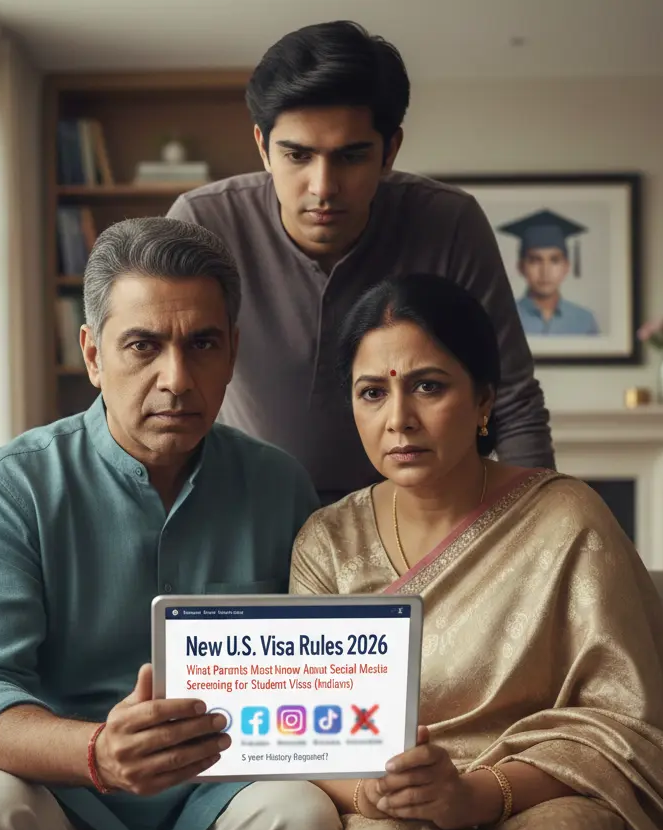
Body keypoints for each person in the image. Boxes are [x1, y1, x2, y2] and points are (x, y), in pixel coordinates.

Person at [290, 272, 663, 830]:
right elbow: (306, 737)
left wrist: (477, 793)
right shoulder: (328, 541)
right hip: (396, 805)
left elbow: (625, 723)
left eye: (429, 386)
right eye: (372, 392)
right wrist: (373, 793)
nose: (398, 418)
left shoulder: (566, 517)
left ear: (485, 401)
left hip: (542, 793)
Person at [0, 217, 342, 830]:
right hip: (57, 801)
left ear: (233, 355)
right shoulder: (13, 486)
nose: (177, 378)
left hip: (218, 804)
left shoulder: (280, 486)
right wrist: (98, 753)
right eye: (143, 346)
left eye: (203, 344)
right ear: (94, 355)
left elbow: (324, 673)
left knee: (300, 811)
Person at [167, 21, 554, 504]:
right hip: (246, 505)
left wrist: (534, 538)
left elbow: (512, 399)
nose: (323, 186)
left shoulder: (450, 221)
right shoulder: (203, 221)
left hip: (413, 511)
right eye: (298, 155)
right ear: (263, 148)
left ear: (390, 150)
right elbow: (165, 380)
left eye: (350, 157)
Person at [498, 209, 601, 336]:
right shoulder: (502, 319)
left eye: (554, 260)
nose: (545, 271)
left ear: (566, 267)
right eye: (535, 260)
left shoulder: (585, 321)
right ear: (521, 267)